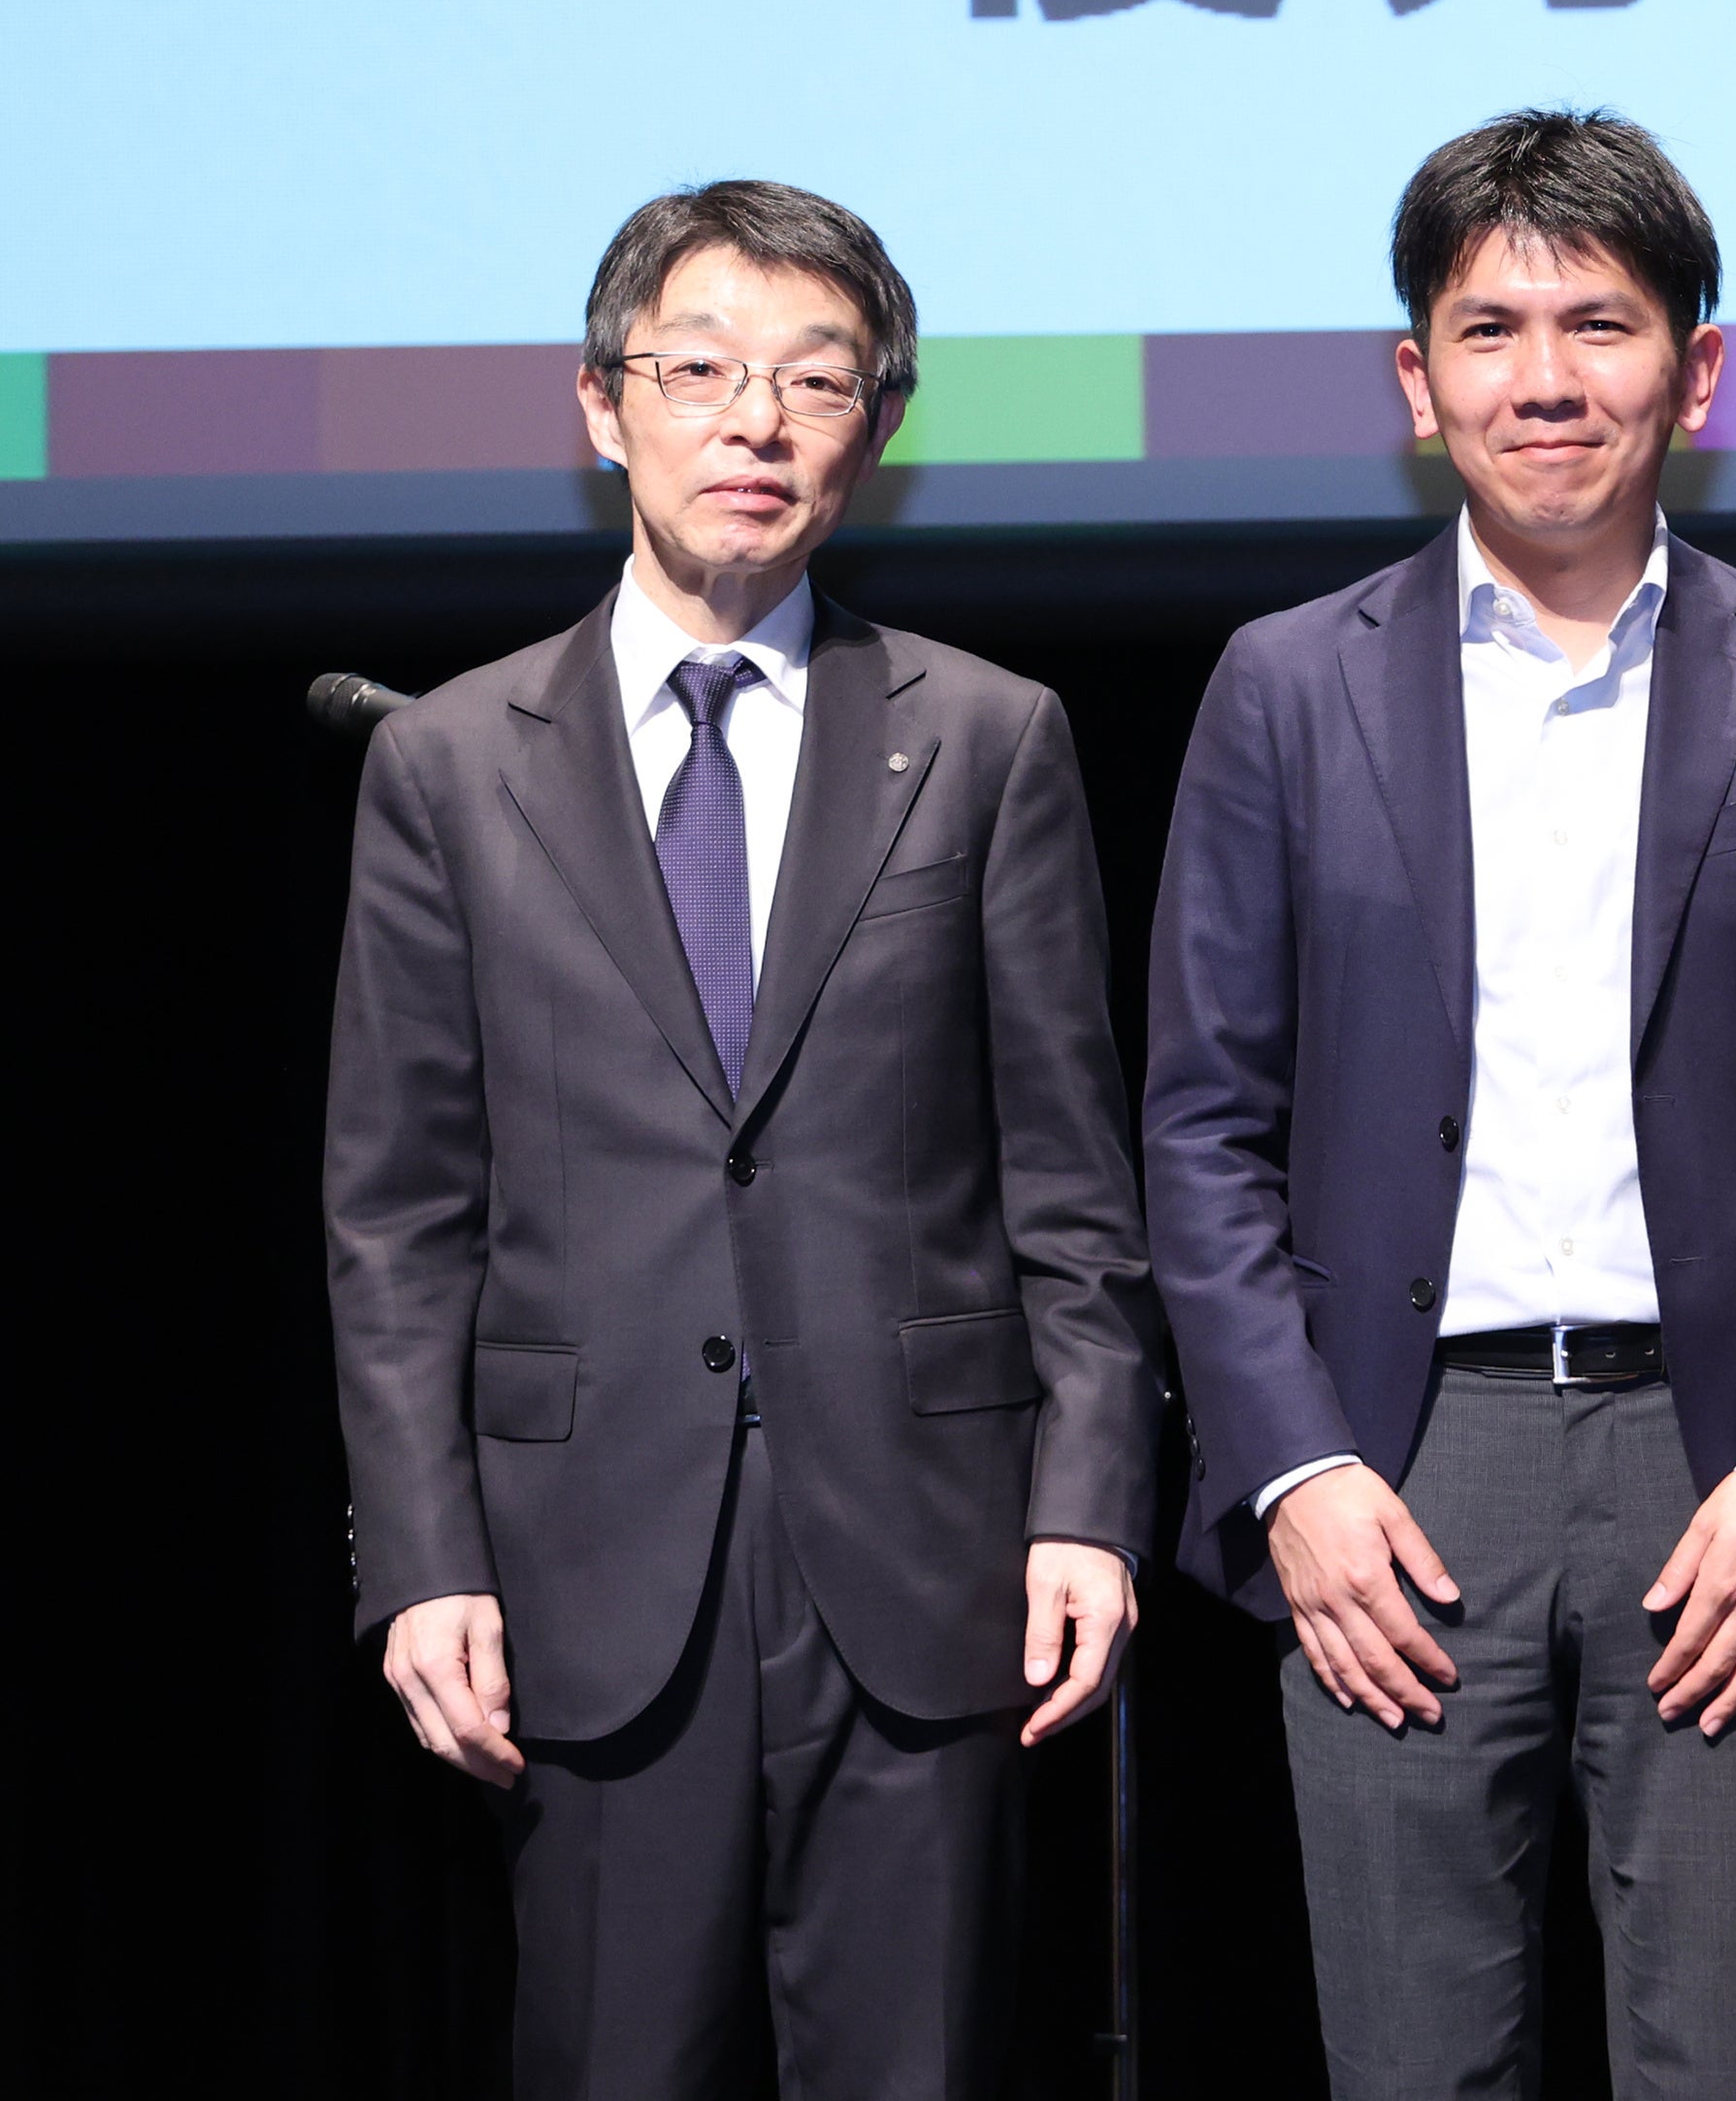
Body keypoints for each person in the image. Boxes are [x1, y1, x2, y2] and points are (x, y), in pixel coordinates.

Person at [1140, 110, 1736, 2100]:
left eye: (1601, 323)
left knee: (1731, 2062)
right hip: (1399, 1474)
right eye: (1489, 330)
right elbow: (1204, 1125)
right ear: (1416, 382)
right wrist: (1294, 1472)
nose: (1547, 378)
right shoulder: (1286, 686)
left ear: (1699, 368)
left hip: (1723, 1469)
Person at [325, 181, 1163, 2097]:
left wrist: (1088, 1503)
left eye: (816, 378)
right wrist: (424, 1561)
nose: (756, 422)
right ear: (602, 405)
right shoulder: (450, 765)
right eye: (700, 371)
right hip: (583, 1572)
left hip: (929, 1562)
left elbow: (1070, 1182)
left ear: (876, 428)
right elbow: (396, 1219)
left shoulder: (986, 739)